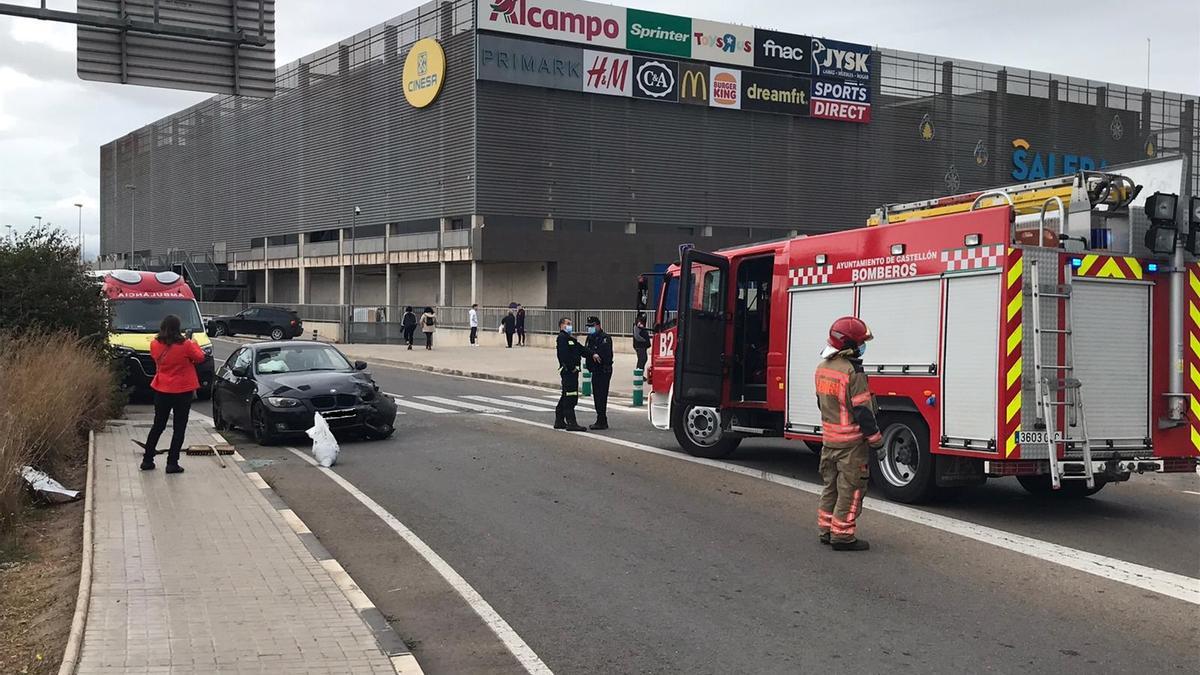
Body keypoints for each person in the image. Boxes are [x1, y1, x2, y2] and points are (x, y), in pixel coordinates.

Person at [815, 316, 883, 552]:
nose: (863, 347)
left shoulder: (822, 367)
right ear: (850, 345)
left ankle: (826, 529)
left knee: (830, 486)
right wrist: (877, 441)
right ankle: (842, 535)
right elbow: (863, 412)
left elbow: (821, 403)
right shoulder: (853, 372)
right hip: (851, 445)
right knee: (851, 489)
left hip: (829, 440)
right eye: (860, 342)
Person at [139, 315, 205, 474]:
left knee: (158, 425)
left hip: (162, 389)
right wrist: (194, 343)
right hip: (183, 391)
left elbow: (158, 357)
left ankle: (147, 460)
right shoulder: (186, 345)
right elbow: (200, 357)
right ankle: (172, 463)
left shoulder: (154, 344)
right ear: (178, 328)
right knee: (179, 427)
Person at [555, 317, 598, 432]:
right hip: (569, 372)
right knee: (571, 397)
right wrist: (572, 367)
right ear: (562, 326)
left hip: (572, 373)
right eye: (568, 324)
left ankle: (559, 420)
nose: (570, 326)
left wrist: (593, 354)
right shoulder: (562, 338)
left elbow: (581, 349)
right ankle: (571, 423)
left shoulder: (570, 339)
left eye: (570, 323)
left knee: (565, 395)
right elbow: (563, 355)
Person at [584, 316, 614, 430]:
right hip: (595, 370)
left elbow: (604, 354)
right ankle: (600, 418)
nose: (590, 329)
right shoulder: (590, 338)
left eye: (592, 326)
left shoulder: (604, 338)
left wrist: (594, 354)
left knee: (601, 395)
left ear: (598, 325)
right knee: (596, 395)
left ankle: (602, 419)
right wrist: (592, 354)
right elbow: (587, 351)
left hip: (603, 370)